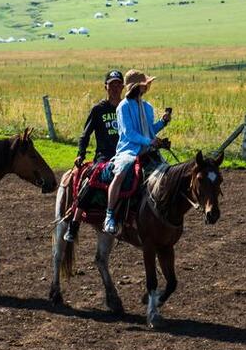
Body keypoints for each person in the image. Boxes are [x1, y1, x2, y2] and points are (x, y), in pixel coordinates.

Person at [104, 70, 171, 235]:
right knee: (120, 174)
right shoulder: (123, 107)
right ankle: (109, 215)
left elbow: (149, 130)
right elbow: (129, 133)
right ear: (135, 86)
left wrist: (162, 122)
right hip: (128, 150)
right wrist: (150, 141)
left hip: (147, 149)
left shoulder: (147, 107)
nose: (148, 86)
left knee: (167, 172)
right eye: (144, 84)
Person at [62, 70, 124, 242]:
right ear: (105, 87)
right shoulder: (98, 110)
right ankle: (74, 224)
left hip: (124, 154)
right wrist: (81, 154)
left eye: (118, 84)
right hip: (104, 156)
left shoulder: (126, 107)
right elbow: (85, 135)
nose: (115, 88)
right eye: (111, 85)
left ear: (123, 87)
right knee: (93, 179)